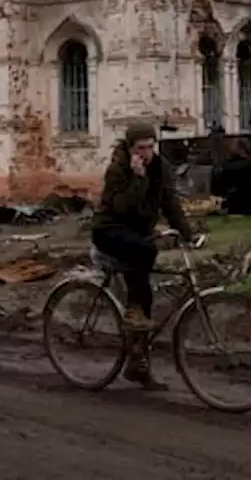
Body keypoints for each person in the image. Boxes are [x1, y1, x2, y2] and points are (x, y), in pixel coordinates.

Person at [93, 122, 197, 387]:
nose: (147, 153)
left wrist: (188, 233)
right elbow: (121, 209)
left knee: (145, 298)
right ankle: (132, 313)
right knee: (146, 251)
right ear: (130, 149)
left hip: (137, 236)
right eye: (141, 148)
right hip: (110, 231)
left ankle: (138, 363)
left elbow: (169, 202)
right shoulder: (118, 170)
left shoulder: (161, 168)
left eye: (151, 147)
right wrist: (137, 179)